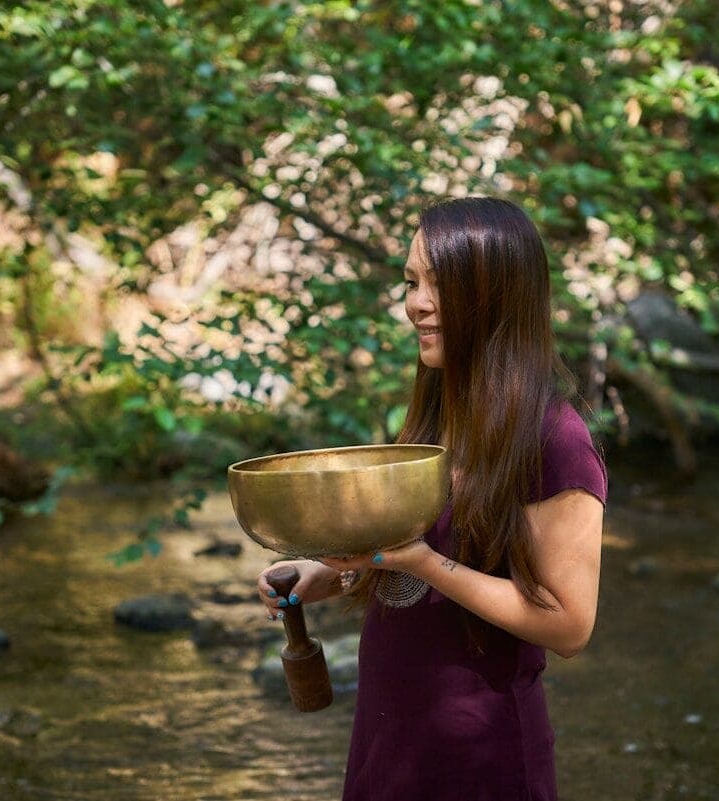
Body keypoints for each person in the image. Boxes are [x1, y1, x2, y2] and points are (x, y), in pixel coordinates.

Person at [256, 196, 607, 801]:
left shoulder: (556, 438)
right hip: (393, 743)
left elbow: (570, 625)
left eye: (438, 284)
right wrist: (333, 573)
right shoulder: (440, 416)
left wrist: (422, 562)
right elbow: (414, 555)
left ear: (495, 294)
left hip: (480, 758)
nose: (415, 303)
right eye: (412, 282)